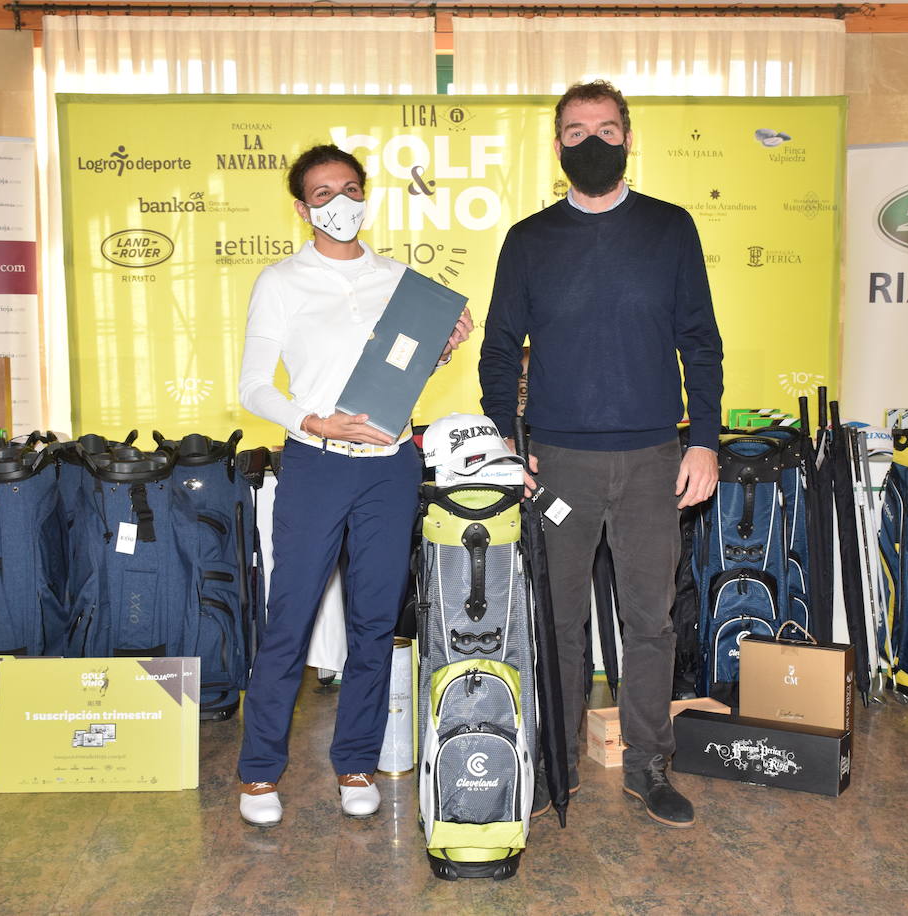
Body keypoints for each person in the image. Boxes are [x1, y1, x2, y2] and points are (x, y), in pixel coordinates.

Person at [478, 81, 722, 828]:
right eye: (576, 131)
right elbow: (495, 353)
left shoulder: (670, 229)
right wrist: (507, 447)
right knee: (557, 624)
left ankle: (649, 767)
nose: (592, 141)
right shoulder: (528, 240)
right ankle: (553, 762)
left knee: (650, 623)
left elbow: (700, 344)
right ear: (557, 147)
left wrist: (705, 440)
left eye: (606, 129)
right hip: (556, 464)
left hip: (654, 460)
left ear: (628, 139)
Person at [236, 144, 473, 828]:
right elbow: (252, 387)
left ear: (365, 195)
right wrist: (314, 418)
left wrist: (442, 348)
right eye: (320, 193)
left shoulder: (401, 281)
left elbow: (397, 381)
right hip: (316, 463)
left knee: (375, 622)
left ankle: (356, 763)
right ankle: (258, 773)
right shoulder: (281, 281)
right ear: (301, 206)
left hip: (391, 468)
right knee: (291, 618)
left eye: (347, 189)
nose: (336, 204)